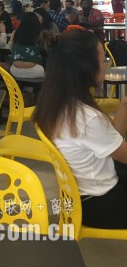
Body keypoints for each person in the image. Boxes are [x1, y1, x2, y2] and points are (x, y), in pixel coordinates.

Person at [32, 31, 127, 229]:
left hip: (80, 196)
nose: (106, 65)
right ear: (86, 69)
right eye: (103, 60)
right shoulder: (87, 117)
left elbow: (110, 143)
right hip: (102, 205)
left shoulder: (56, 105)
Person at [8, 12, 45, 79]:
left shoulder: (16, 33)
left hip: (15, 70)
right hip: (36, 71)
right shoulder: (41, 34)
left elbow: (10, 48)